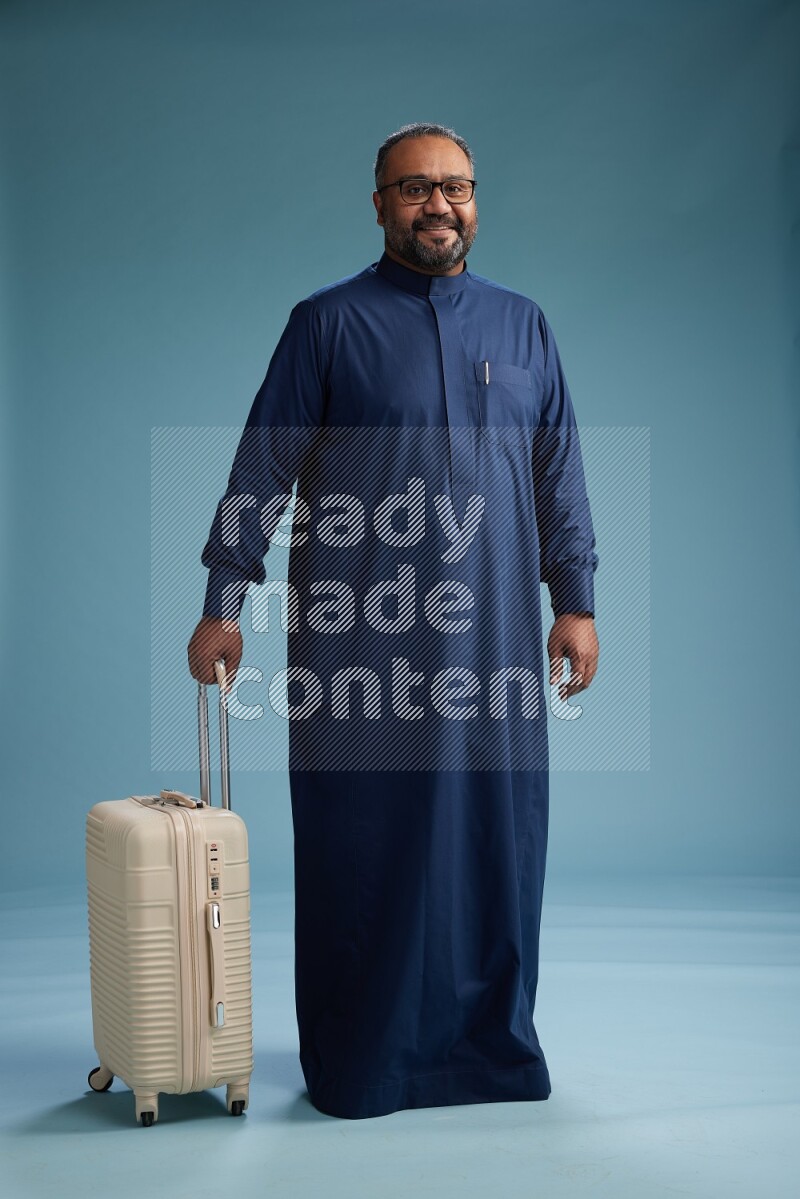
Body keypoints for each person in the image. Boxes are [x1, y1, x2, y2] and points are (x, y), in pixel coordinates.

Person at [187, 121, 600, 1119]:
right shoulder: (327, 324)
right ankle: (363, 1056)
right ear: (377, 204)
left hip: (495, 645)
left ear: (474, 199)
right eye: (413, 189)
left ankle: (488, 1049)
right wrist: (221, 603)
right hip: (359, 638)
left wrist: (574, 600)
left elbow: (557, 472)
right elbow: (261, 469)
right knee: (361, 837)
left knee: (495, 839)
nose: (437, 206)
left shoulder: (522, 326)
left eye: (453, 187)